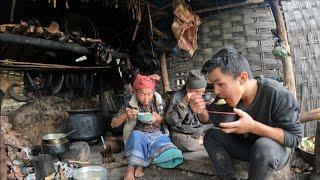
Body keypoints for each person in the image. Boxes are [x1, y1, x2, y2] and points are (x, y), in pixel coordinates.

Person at [189, 47, 303, 180]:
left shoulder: (277, 94)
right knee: (211, 136)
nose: (216, 91)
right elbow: (208, 118)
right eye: (213, 85)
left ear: (242, 78)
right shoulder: (227, 98)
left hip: (273, 152)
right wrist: (201, 110)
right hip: (248, 147)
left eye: (220, 84)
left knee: (263, 146)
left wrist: (253, 126)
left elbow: (295, 139)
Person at [111, 74, 182, 180]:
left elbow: (170, 120)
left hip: (158, 136)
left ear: (153, 92)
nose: (146, 98)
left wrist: (159, 118)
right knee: (137, 137)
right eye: (142, 94)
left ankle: (142, 163)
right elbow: (113, 124)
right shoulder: (129, 103)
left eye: (149, 94)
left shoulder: (160, 102)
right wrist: (127, 115)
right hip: (139, 136)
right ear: (136, 92)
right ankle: (130, 171)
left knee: (174, 153)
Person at [165, 70, 212, 152]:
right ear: (187, 89)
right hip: (183, 132)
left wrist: (202, 109)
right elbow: (171, 121)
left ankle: (201, 142)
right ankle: (202, 142)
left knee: (218, 126)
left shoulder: (203, 97)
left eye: (202, 91)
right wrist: (184, 102)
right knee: (178, 139)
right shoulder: (177, 97)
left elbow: (206, 120)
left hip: (199, 129)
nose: (199, 94)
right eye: (196, 92)